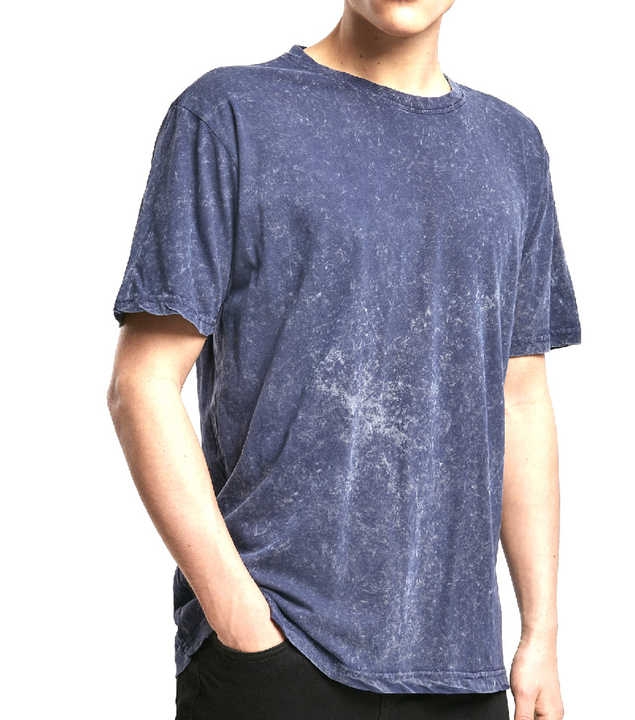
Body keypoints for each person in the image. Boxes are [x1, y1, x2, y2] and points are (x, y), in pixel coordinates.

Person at [107, 2, 581, 718]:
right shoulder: (230, 114)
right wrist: (240, 618)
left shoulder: (512, 147)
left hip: (462, 671)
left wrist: (541, 632)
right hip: (277, 650)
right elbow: (141, 384)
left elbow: (521, 398)